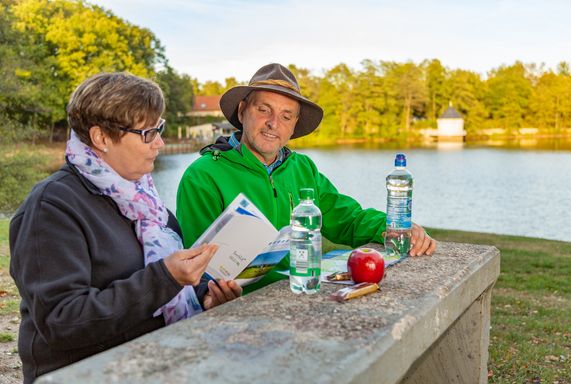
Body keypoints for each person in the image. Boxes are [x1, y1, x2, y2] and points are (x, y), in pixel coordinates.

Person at [9, 72, 242, 383]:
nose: (160, 142)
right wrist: (165, 278)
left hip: (154, 362)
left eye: (159, 129)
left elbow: (166, 286)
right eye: (147, 133)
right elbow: (61, 322)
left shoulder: (146, 201)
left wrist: (205, 297)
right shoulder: (51, 207)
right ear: (101, 138)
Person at [176, 63, 436, 293]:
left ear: (294, 124)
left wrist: (393, 226)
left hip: (299, 295)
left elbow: (348, 219)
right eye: (264, 110)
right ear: (243, 111)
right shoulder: (203, 175)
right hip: (237, 310)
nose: (273, 123)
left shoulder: (303, 168)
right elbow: (195, 270)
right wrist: (209, 294)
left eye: (286, 116)